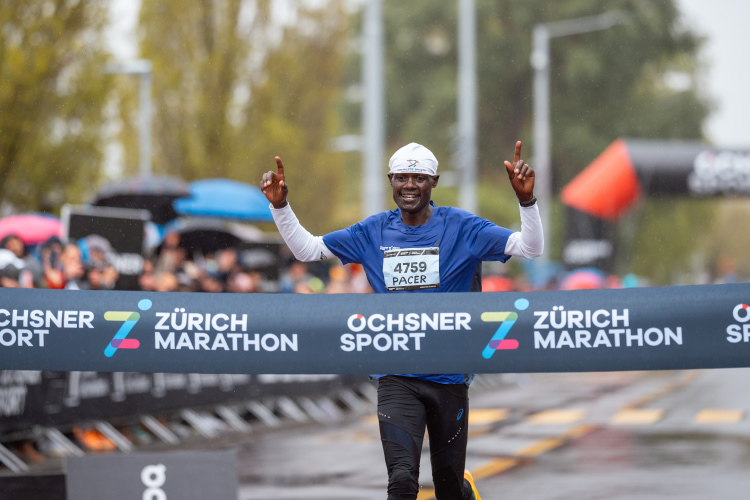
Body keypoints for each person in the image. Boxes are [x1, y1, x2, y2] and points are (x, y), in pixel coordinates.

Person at [261, 141, 543, 500]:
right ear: (391, 181)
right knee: (402, 481)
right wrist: (280, 207)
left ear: (434, 182)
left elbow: (530, 247)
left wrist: (526, 201)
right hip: (397, 375)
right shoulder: (373, 231)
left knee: (448, 489)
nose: (409, 185)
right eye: (401, 178)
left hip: (449, 376)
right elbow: (309, 250)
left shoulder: (462, 227)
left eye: (419, 178)